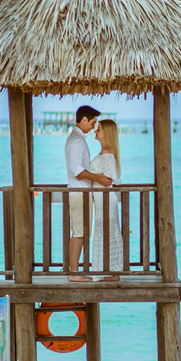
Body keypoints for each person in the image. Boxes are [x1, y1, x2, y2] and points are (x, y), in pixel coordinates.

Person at [65, 105, 112, 282]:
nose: (93, 127)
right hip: (79, 192)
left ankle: (74, 272)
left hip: (80, 192)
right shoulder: (77, 141)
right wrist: (98, 178)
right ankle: (74, 273)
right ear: (84, 120)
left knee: (81, 232)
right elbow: (77, 170)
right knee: (79, 232)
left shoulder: (76, 139)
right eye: (92, 123)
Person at [88, 119, 123, 282]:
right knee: (105, 231)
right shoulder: (106, 152)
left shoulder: (108, 154)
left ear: (106, 134)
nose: (96, 131)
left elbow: (110, 179)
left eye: (99, 130)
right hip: (102, 198)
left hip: (106, 198)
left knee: (107, 232)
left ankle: (112, 273)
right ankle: (106, 270)